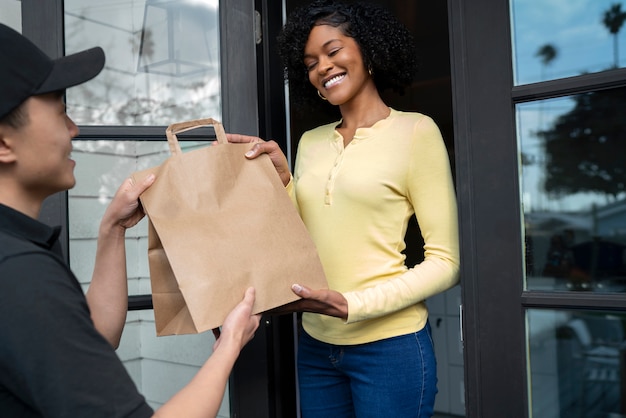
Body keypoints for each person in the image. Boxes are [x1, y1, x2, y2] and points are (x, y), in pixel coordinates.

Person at [0, 23, 260, 418]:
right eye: (60, 113)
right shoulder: (19, 272)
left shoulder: (14, 251)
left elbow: (91, 341)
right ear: (4, 143)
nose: (75, 129)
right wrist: (229, 346)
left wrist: (112, 230)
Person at [227, 1, 460, 417]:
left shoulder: (417, 133)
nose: (322, 66)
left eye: (333, 51)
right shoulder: (311, 141)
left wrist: (351, 305)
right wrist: (283, 181)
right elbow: (302, 234)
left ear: (368, 50)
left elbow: (446, 263)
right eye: (311, 61)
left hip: (391, 347)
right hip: (317, 346)